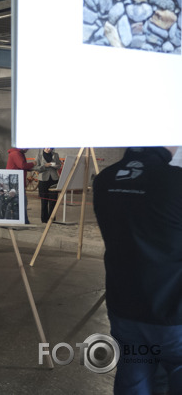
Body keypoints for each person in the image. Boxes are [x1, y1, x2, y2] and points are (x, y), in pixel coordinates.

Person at [93, 147, 182, 394]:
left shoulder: (104, 180)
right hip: (173, 312)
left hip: (124, 307)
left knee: (133, 381)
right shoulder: (176, 181)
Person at [33, 148, 62, 223]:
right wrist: (45, 166)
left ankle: (52, 219)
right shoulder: (39, 155)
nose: (49, 149)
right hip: (43, 179)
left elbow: (59, 165)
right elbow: (36, 168)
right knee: (44, 200)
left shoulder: (55, 155)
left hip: (54, 178)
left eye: (50, 147)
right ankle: (44, 219)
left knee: (53, 200)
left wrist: (55, 166)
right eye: (47, 147)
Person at [6, 147, 34, 224]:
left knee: (21, 202)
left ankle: (23, 220)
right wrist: (33, 164)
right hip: (16, 182)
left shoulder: (18, 153)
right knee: (21, 202)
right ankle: (22, 221)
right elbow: (22, 165)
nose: (27, 150)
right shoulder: (16, 154)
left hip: (16, 181)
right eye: (27, 148)